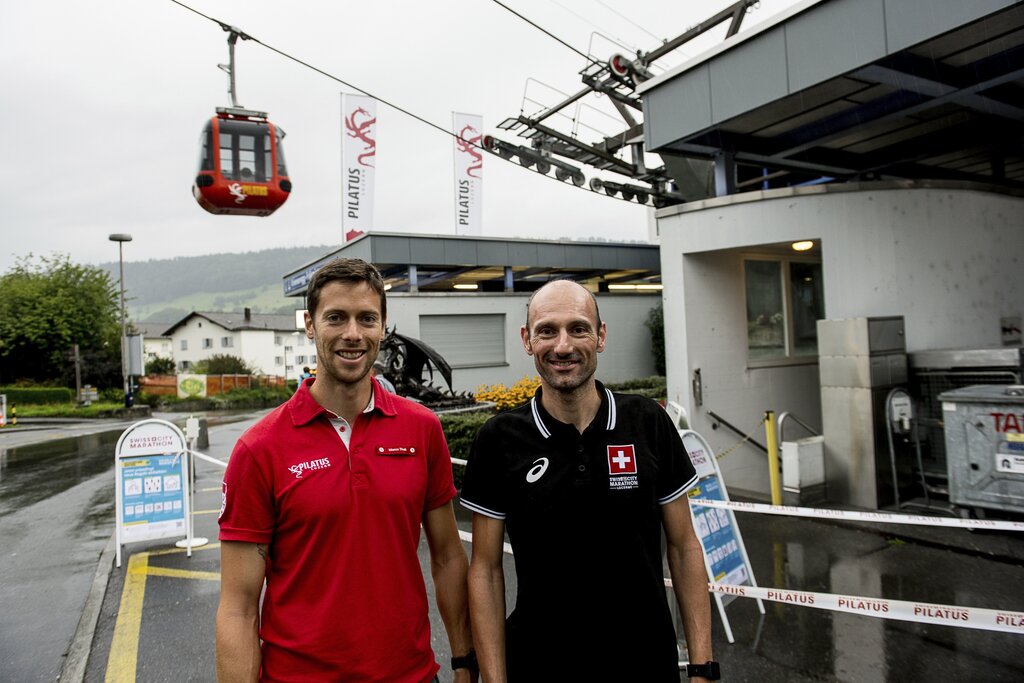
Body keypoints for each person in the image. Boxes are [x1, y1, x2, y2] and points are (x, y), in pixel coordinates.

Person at [216, 258, 476, 683]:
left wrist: (464, 660)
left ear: (383, 326)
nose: (353, 334)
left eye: (366, 319)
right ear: (310, 325)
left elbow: (448, 557)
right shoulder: (259, 450)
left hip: (411, 676)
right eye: (336, 317)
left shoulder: (422, 429)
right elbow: (238, 607)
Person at [462, 279, 717, 682]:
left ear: (600, 336)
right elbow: (486, 571)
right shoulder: (499, 439)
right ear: (527, 340)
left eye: (578, 328)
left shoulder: (648, 422)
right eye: (547, 330)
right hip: (538, 665)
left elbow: (684, 548)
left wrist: (703, 667)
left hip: (645, 664)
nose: (563, 346)